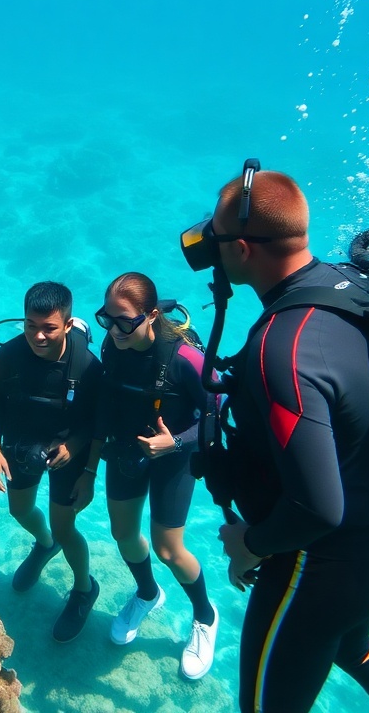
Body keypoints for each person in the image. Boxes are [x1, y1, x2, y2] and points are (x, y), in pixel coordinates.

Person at [189, 167, 369, 711]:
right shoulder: (353, 285)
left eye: (217, 235)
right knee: (353, 644)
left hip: (316, 567)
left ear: (246, 250)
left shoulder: (283, 348)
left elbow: (317, 509)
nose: (209, 244)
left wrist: (249, 544)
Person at [93, 273, 219, 679]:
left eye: (125, 321)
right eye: (107, 319)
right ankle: (148, 594)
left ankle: (205, 615)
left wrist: (177, 443)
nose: (114, 330)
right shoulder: (114, 345)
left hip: (174, 456)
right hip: (129, 451)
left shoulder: (185, 358)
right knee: (123, 534)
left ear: (150, 316)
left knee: (169, 548)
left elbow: (221, 416)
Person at [0, 282, 103, 642]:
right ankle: (44, 543)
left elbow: (99, 422)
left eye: (49, 327)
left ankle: (84, 589)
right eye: (30, 325)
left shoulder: (86, 365)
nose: (38, 335)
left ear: (68, 325)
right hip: (22, 443)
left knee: (66, 527)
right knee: (19, 511)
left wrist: (86, 467)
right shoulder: (8, 354)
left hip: (71, 452)